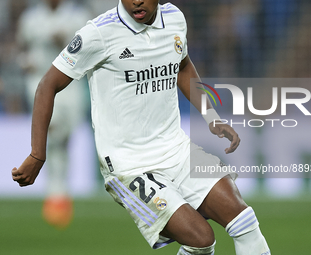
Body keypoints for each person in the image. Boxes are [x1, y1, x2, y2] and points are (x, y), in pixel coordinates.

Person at [12, 0, 271, 254]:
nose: (137, 0)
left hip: (176, 150)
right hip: (129, 166)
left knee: (245, 221)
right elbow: (47, 84)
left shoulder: (174, 19)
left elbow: (182, 66)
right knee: (201, 240)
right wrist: (37, 153)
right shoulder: (99, 33)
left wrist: (211, 116)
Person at [16, 0, 91, 228]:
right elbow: (22, 47)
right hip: (39, 81)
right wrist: (24, 62)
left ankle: (60, 192)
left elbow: (88, 49)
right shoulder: (30, 18)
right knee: (53, 130)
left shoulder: (78, 16)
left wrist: (64, 41)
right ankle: (55, 194)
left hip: (71, 84)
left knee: (64, 140)